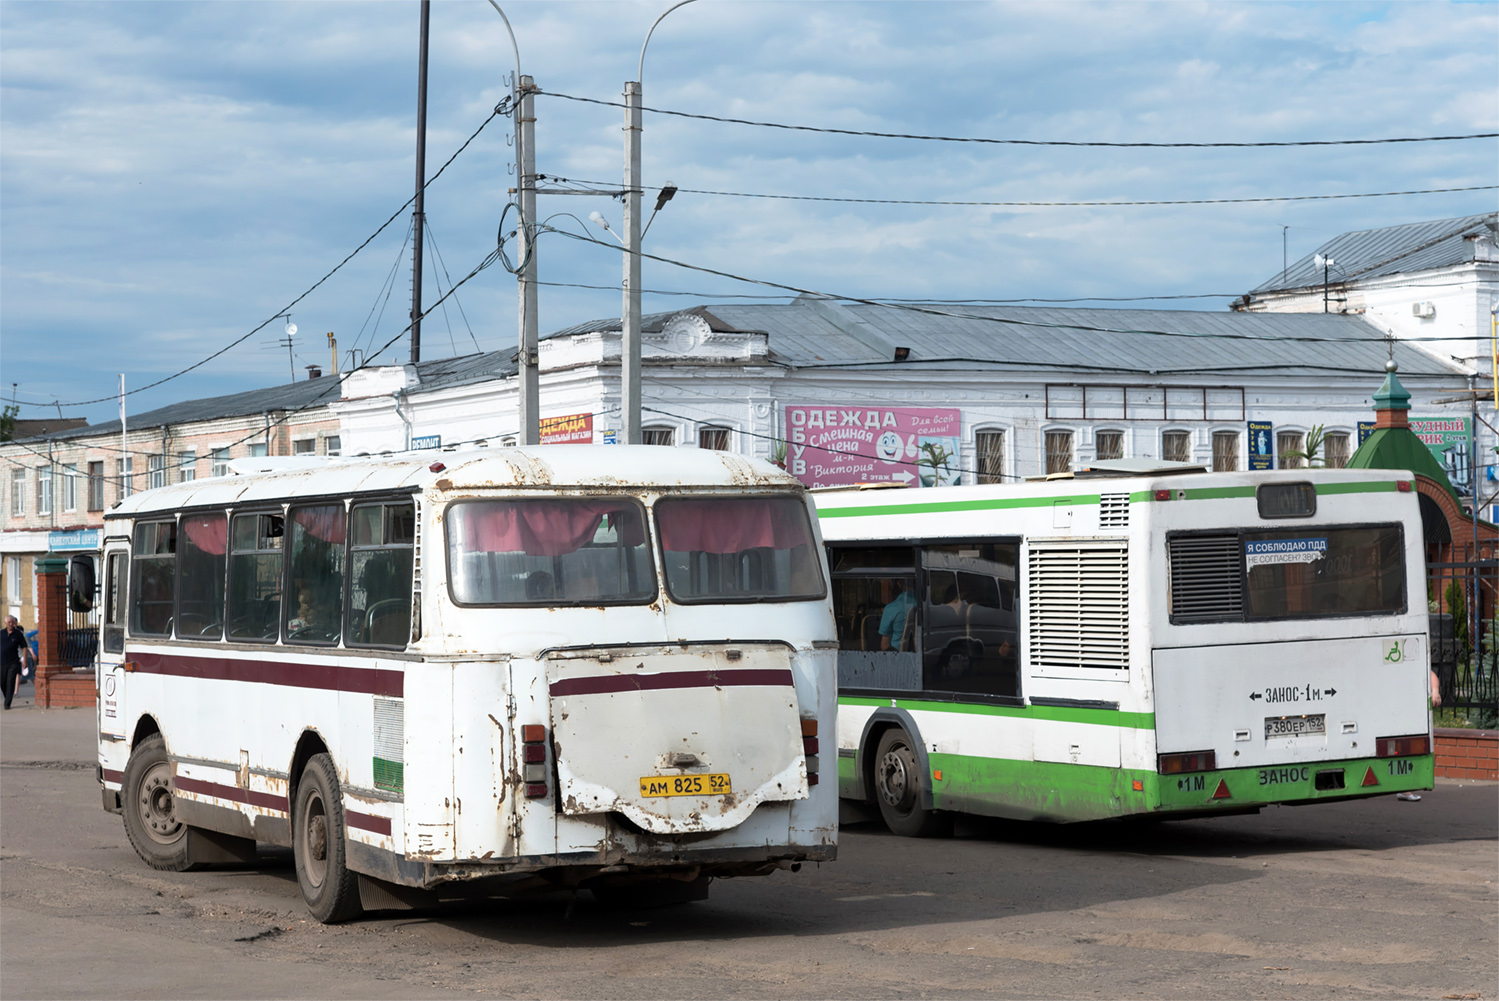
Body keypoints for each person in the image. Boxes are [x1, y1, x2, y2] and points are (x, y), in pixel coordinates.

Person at [2, 615, 32, 710]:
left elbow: (24, 647)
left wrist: (25, 661)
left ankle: (7, 703)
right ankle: (7, 696)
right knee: (2, 681)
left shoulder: (18, 634)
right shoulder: (1, 633)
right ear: (5, 623)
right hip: (2, 662)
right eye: (9, 622)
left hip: (13, 662)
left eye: (13, 622)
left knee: (11, 681)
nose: (11, 624)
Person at [879, 580, 916, 651]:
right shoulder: (927, 606)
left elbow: (885, 646)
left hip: (898, 656)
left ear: (898, 584)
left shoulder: (891, 608)